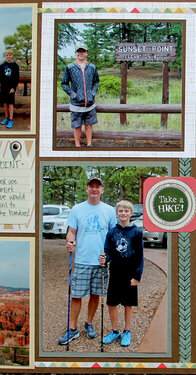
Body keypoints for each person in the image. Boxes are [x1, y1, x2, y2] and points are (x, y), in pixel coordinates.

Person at [58, 177, 117, 345]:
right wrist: (70, 241)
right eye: (91, 186)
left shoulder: (109, 210)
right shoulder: (77, 209)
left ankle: (89, 323)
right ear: (86, 189)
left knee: (95, 295)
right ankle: (72, 329)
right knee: (76, 295)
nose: (94, 189)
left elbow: (113, 235)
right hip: (82, 260)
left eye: (97, 186)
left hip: (101, 261)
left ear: (102, 190)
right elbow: (71, 232)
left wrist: (109, 254)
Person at [99, 200, 144, 347]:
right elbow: (108, 252)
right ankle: (115, 331)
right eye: (120, 211)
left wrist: (137, 276)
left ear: (131, 213)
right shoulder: (112, 232)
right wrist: (104, 259)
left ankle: (127, 331)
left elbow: (139, 256)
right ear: (117, 213)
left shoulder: (137, 232)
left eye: (126, 211)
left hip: (130, 274)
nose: (123, 213)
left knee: (128, 304)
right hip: (116, 272)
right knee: (112, 303)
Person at [61, 43, 99, 147]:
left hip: (90, 104)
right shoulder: (70, 67)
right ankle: (77, 146)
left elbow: (96, 82)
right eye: (79, 51)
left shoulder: (92, 67)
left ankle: (89, 144)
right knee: (77, 126)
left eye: (83, 51)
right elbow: (64, 84)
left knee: (89, 125)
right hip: (76, 104)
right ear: (76, 53)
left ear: (86, 53)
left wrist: (93, 93)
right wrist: (73, 95)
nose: (81, 53)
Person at [0, 49, 20, 129]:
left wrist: (14, 87)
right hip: (4, 87)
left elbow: (17, 78)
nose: (8, 56)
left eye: (10, 55)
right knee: (5, 103)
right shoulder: (2, 66)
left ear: (12, 56)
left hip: (11, 87)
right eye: (7, 55)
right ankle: (6, 117)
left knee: (10, 104)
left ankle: (11, 119)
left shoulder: (15, 66)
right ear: (5, 56)